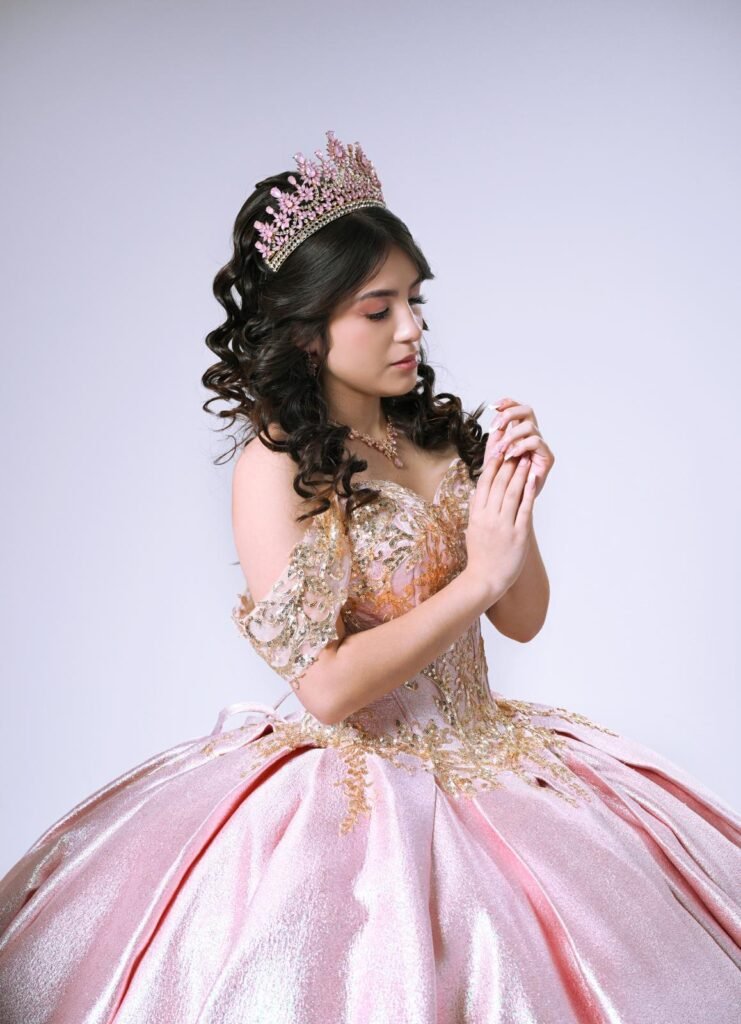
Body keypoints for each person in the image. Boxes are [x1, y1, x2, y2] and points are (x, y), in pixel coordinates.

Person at [0, 130, 739, 1024]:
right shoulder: (278, 465)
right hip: (361, 788)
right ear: (307, 329)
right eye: (377, 309)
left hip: (496, 753)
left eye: (414, 302)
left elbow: (521, 618)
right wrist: (475, 579)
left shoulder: (436, 438)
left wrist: (513, 502)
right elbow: (326, 689)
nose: (412, 329)